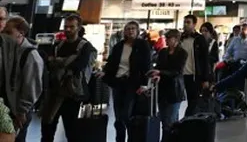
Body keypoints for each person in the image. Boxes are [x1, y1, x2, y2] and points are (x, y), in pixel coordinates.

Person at [41, 14, 97, 142]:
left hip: (72, 92)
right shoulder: (59, 44)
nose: (68, 30)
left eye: (71, 27)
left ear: (78, 28)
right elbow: (49, 63)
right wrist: (65, 62)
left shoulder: (85, 46)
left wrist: (58, 61)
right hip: (55, 89)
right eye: (66, 26)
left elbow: (79, 65)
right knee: (47, 126)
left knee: (71, 129)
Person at [100, 21, 152, 142]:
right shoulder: (119, 46)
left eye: (133, 28)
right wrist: (105, 72)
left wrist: (145, 83)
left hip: (132, 83)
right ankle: (120, 138)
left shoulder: (142, 45)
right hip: (118, 82)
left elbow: (146, 65)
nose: (130, 31)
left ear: (138, 31)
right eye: (128, 29)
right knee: (118, 115)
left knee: (126, 114)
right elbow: (112, 63)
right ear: (124, 31)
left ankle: (132, 137)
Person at [3, 17, 43, 142]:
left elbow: (32, 87)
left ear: (21, 33)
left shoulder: (31, 55)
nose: (4, 35)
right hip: (7, 107)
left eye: (9, 32)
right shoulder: (9, 51)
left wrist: (21, 112)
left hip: (18, 111)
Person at [149, 29, 187, 141]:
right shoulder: (163, 52)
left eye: (169, 38)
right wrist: (156, 72)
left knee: (169, 120)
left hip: (175, 90)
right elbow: (159, 66)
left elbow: (177, 71)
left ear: (176, 39)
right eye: (166, 38)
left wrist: (160, 72)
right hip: (162, 89)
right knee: (165, 118)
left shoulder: (182, 53)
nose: (167, 40)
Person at [180, 14, 211, 116]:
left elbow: (205, 59)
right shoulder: (181, 39)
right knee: (185, 100)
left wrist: (205, 78)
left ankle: (187, 120)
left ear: (194, 24)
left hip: (194, 76)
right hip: (181, 75)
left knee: (193, 101)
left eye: (188, 22)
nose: (185, 25)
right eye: (184, 22)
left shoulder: (199, 39)